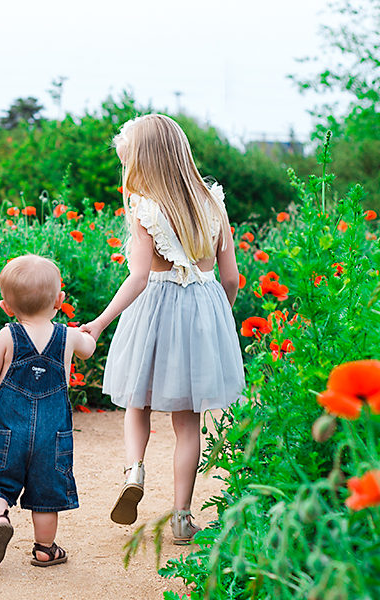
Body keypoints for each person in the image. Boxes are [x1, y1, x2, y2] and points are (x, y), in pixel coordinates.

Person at [82, 114, 245, 545]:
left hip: (153, 308)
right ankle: (182, 516)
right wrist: (217, 318)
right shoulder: (213, 202)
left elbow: (137, 277)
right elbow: (230, 278)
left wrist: (99, 324)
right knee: (187, 423)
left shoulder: (146, 208)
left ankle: (134, 469)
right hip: (202, 311)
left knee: (138, 402)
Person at [0, 254, 96, 568]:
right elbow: (89, 348)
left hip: (8, 431)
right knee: (46, 491)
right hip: (51, 436)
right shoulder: (67, 336)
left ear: (6, 308)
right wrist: (85, 334)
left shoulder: (6, 335)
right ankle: (45, 547)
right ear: (59, 300)